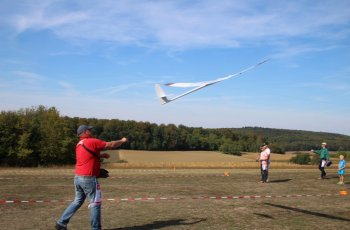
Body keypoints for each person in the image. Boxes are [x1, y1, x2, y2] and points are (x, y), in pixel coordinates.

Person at [55, 125, 128, 230]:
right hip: (88, 178)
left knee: (77, 201)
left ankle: (61, 223)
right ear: (85, 132)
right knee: (95, 203)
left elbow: (86, 156)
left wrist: (101, 156)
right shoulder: (91, 141)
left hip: (78, 178)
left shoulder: (79, 144)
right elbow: (110, 145)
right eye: (89, 130)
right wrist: (122, 140)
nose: (91, 131)